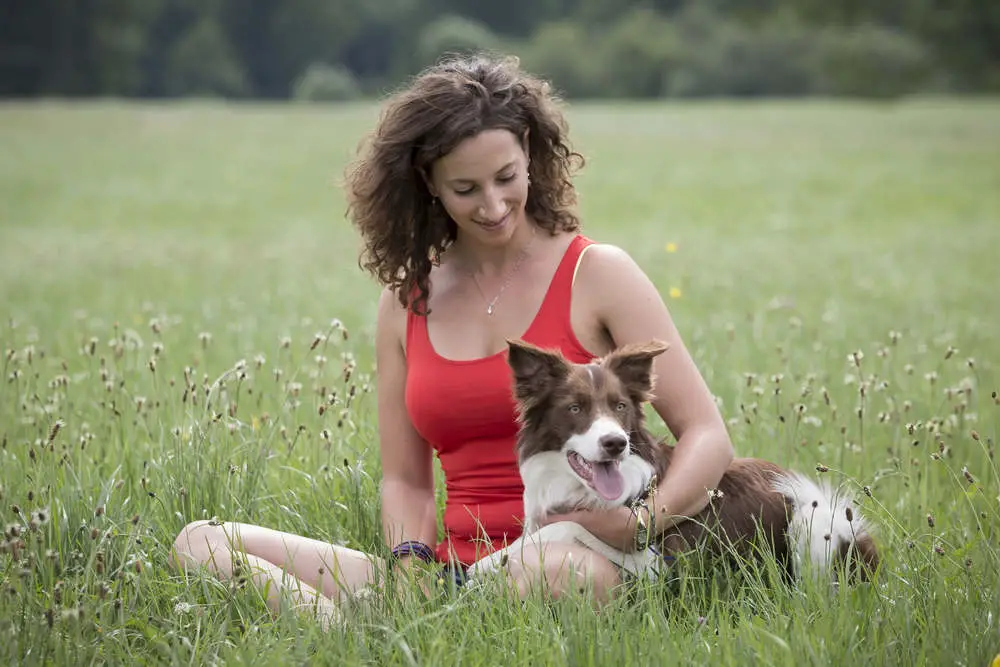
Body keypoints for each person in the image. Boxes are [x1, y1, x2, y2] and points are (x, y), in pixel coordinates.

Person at [170, 53, 734, 621]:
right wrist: (411, 565)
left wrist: (639, 523)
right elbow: (406, 481)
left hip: (577, 558)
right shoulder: (405, 302)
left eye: (506, 178)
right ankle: (344, 629)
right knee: (202, 541)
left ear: (531, 158)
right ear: (429, 185)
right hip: (452, 570)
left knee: (559, 576)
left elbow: (707, 435)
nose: (492, 206)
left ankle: (396, 628)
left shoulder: (600, 273)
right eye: (466, 188)